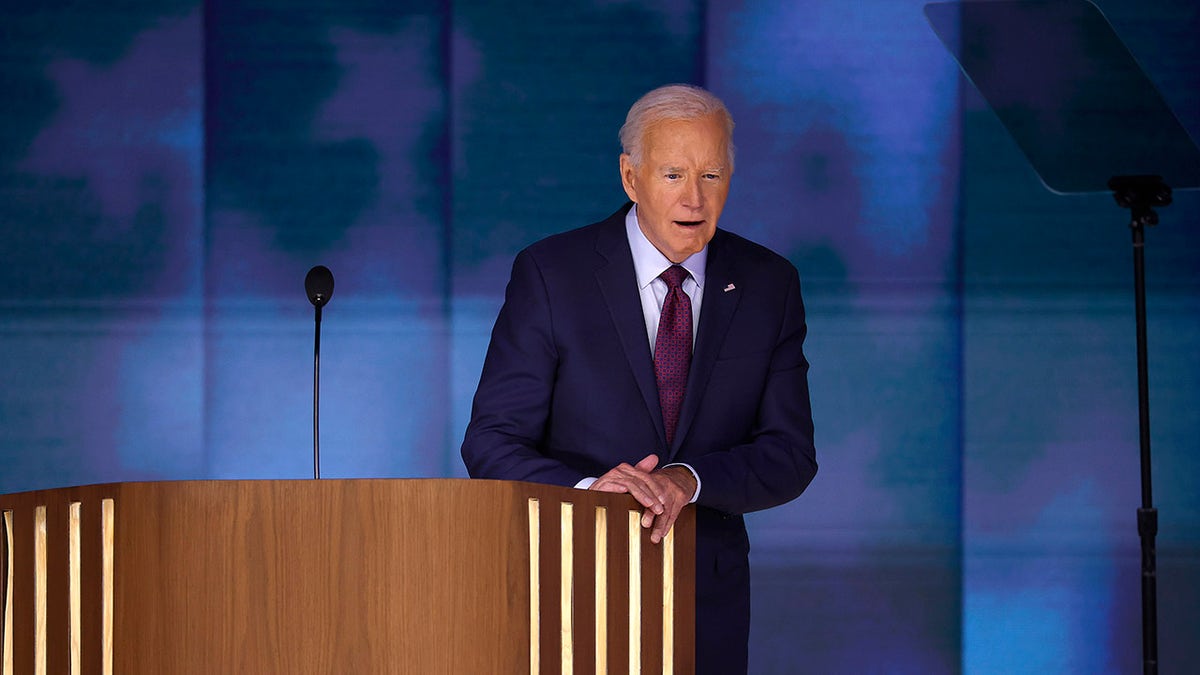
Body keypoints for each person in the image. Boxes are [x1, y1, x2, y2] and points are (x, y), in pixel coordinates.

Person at [461, 83, 817, 674]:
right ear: (630, 178)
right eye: (674, 174)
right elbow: (492, 442)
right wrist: (590, 494)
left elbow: (789, 454)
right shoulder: (552, 274)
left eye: (712, 175)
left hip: (707, 603)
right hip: (572, 588)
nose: (695, 198)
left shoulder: (768, 285)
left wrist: (688, 480)